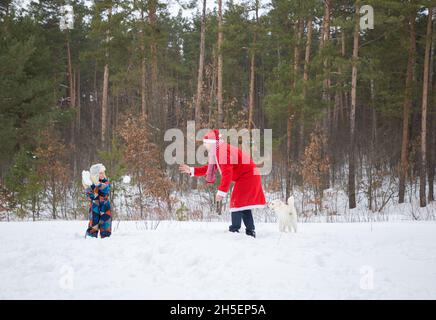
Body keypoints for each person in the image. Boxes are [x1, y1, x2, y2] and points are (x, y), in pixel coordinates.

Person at [179, 129, 266, 237]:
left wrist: (221, 192)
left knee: (237, 202)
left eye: (205, 143)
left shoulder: (222, 152)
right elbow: (210, 168)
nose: (204, 146)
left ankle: (235, 229)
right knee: (242, 204)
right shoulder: (219, 150)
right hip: (248, 176)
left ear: (211, 143)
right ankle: (250, 230)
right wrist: (192, 170)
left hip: (248, 176)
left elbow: (227, 173)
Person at [84, 164, 112, 238]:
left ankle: (105, 235)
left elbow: (105, 190)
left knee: (106, 221)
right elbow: (91, 196)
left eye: (103, 172)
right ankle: (91, 235)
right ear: (95, 174)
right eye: (100, 173)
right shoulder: (91, 184)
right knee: (93, 221)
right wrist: (87, 188)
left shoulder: (105, 182)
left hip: (105, 206)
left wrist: (98, 184)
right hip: (94, 206)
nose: (103, 174)